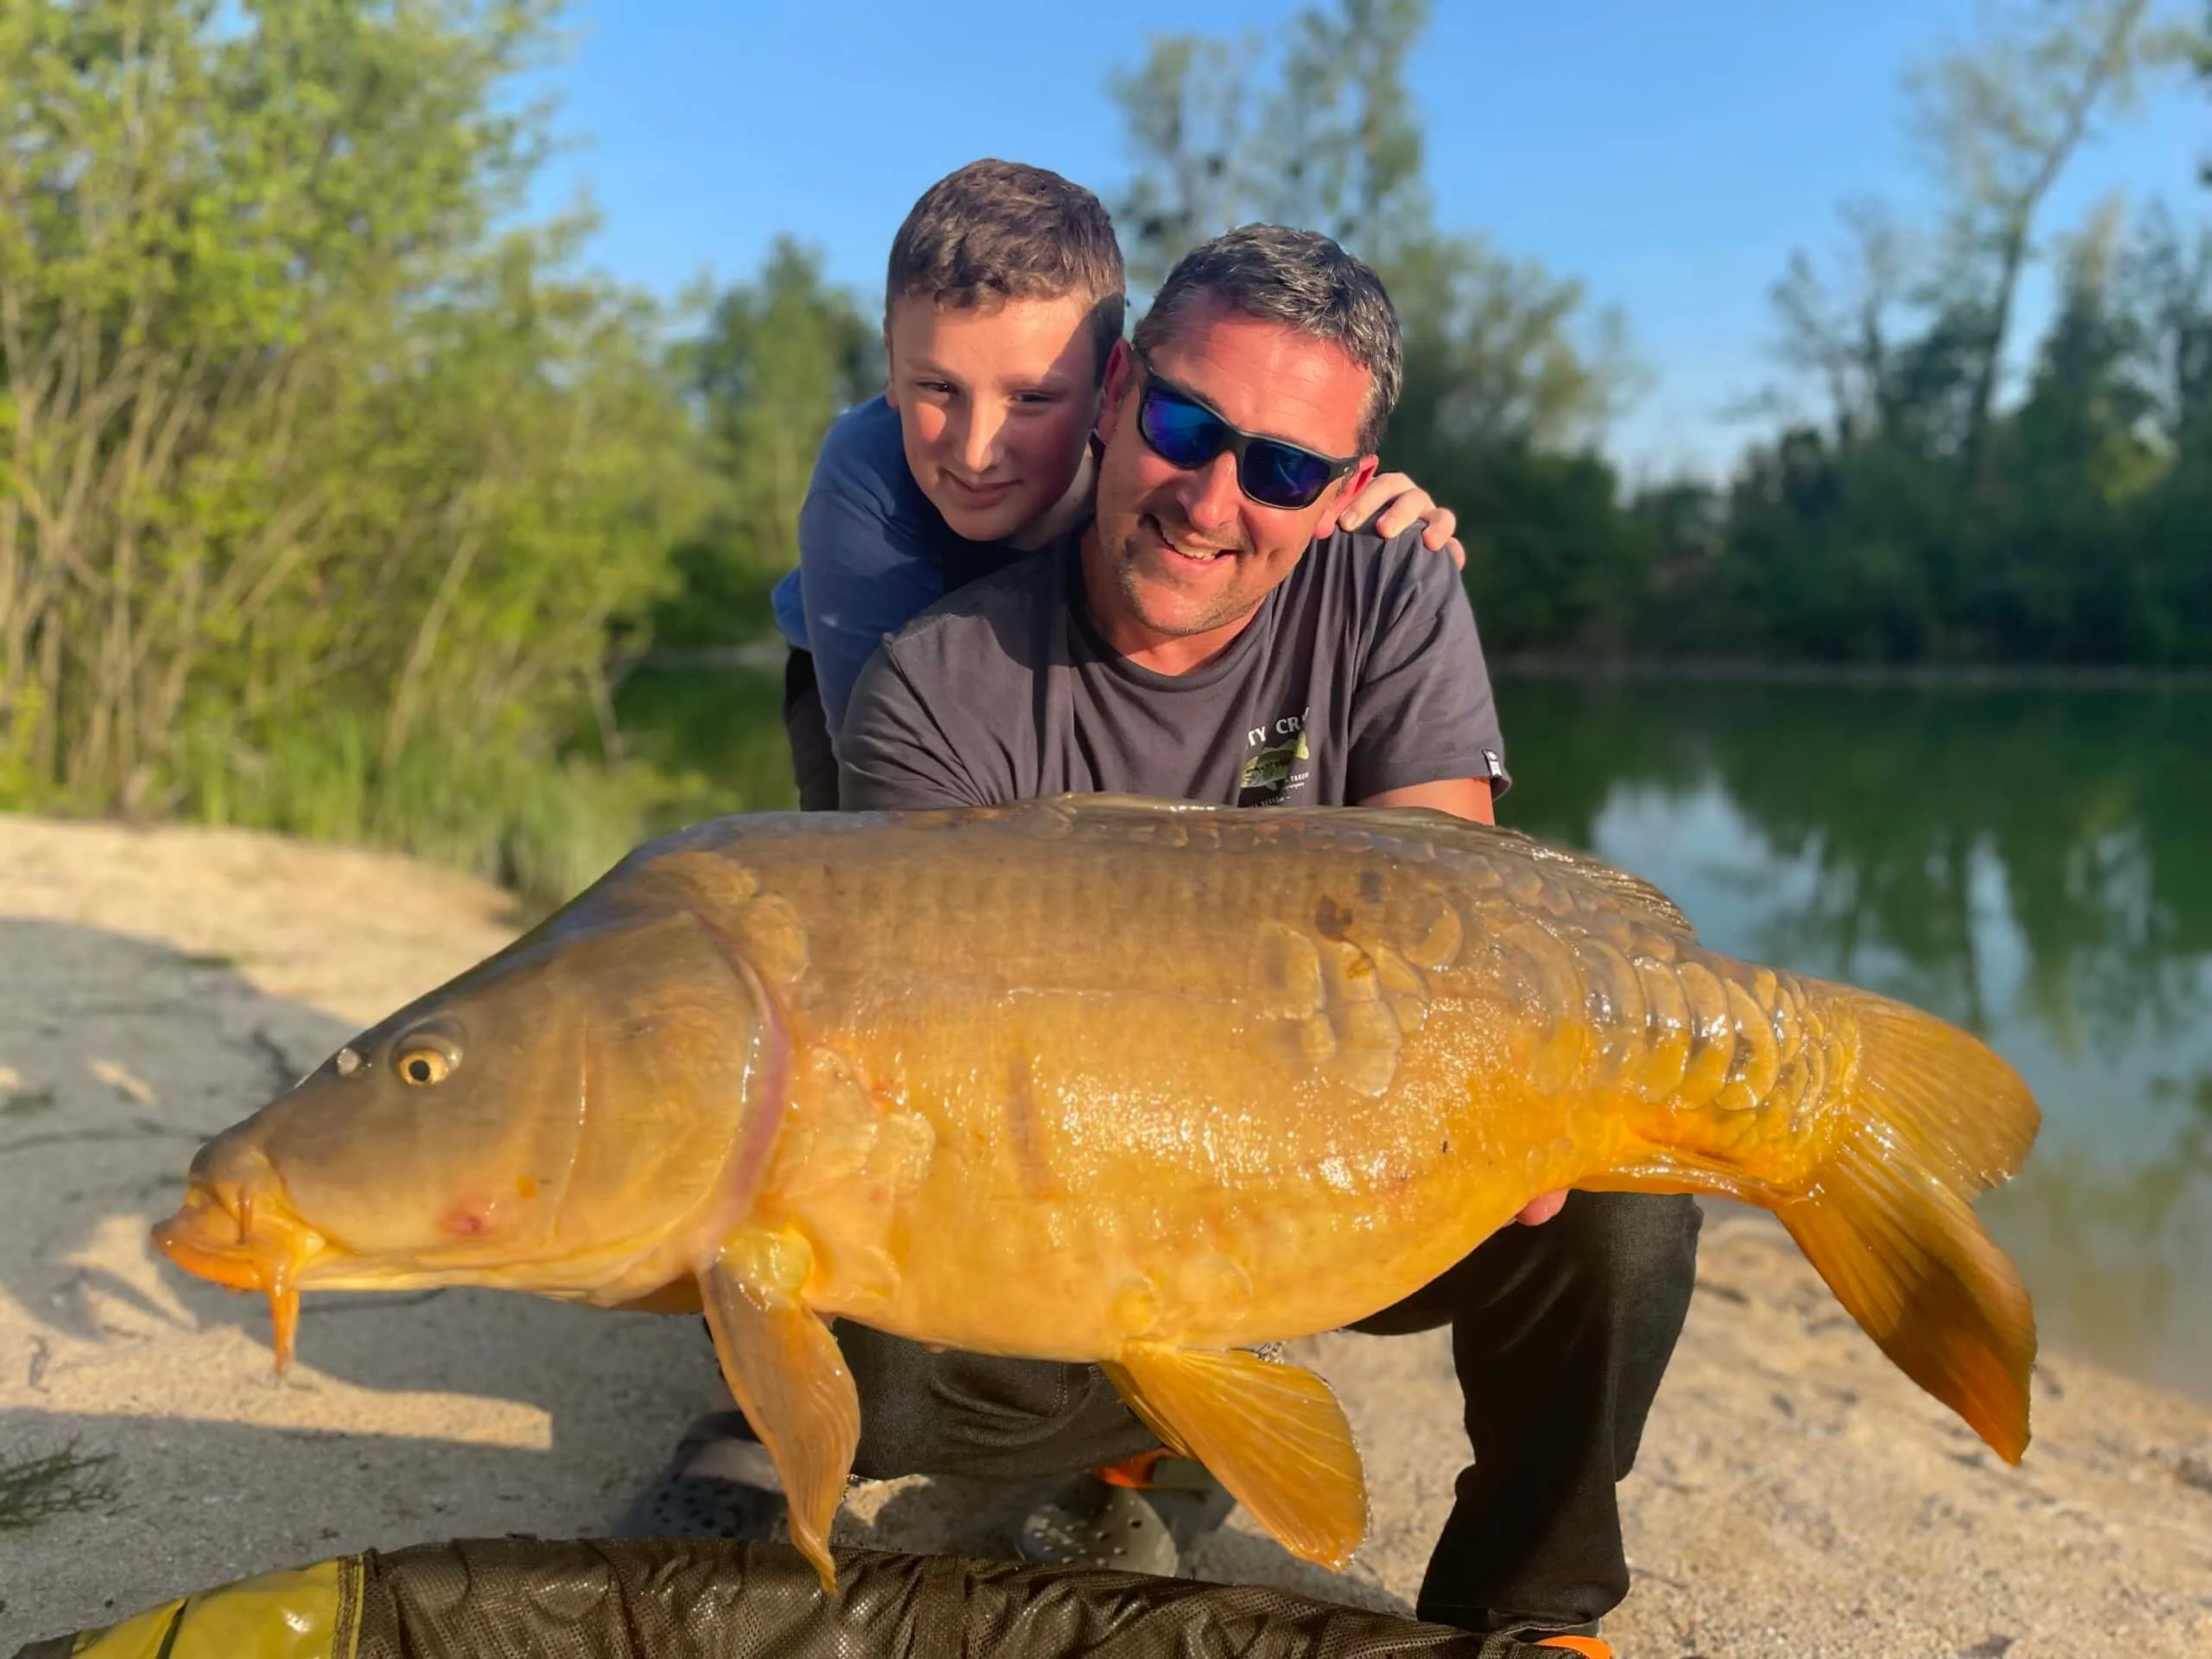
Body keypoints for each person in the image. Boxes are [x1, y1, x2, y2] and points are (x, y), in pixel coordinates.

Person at [820, 226, 1700, 1656]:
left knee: (1619, 1195)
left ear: (1345, 492)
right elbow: (926, 1077)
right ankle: (1144, 1428)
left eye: (1286, 469)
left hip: (1344, 1185)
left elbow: (1461, 957)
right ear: (1114, 396)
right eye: (1184, 423)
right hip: (1067, 1188)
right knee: (875, 1332)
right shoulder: (936, 684)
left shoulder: (1397, 590)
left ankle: (1530, 1611)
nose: (1214, 495)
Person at [766, 158, 1465, 809]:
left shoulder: (1162, 459)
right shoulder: (863, 488)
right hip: (858, 667)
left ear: (1111, 389)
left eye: (1032, 399)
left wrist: (1337, 501)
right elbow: (904, 745)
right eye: (937, 387)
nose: (976, 449)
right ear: (890, 360)